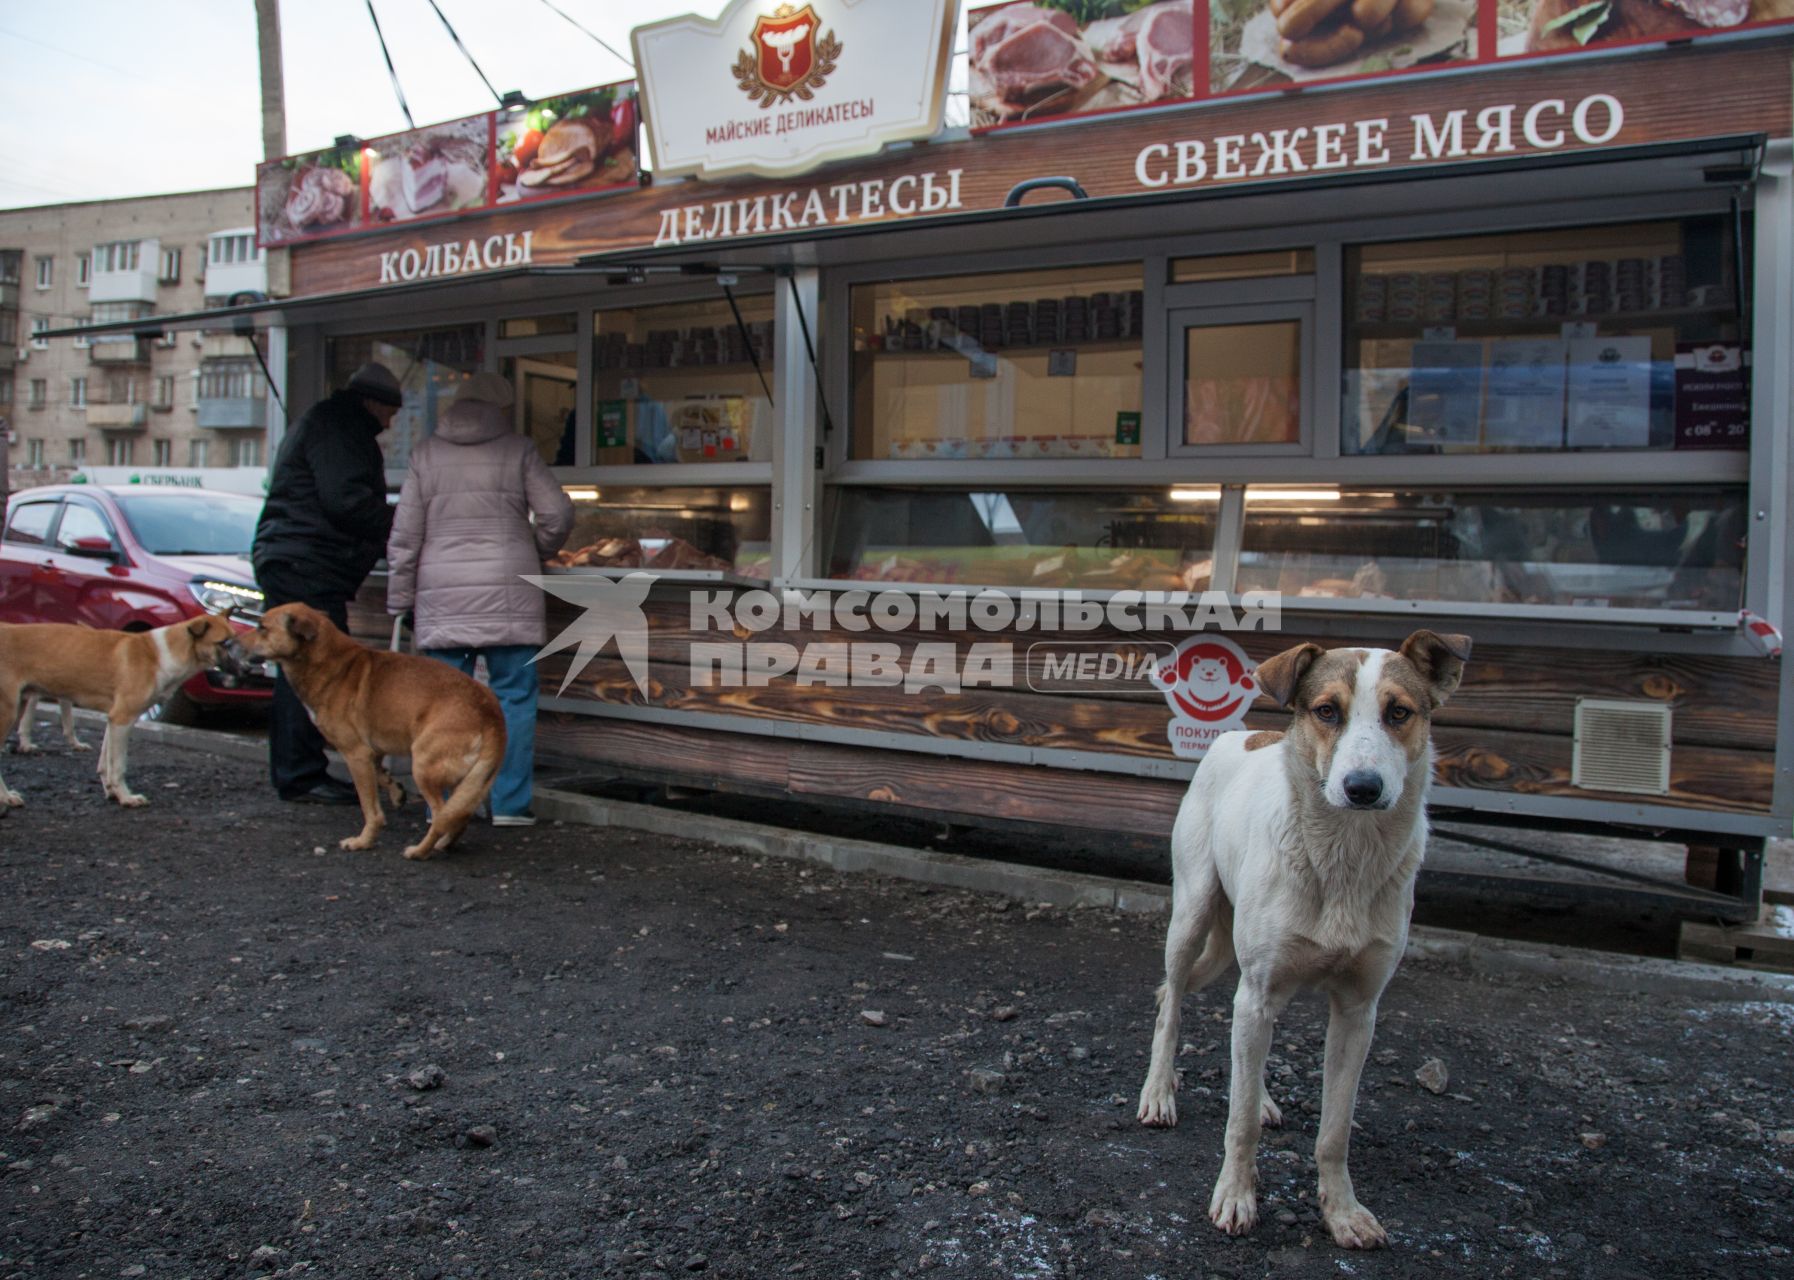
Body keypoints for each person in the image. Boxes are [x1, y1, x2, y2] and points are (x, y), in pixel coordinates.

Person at [385, 371, 573, 827]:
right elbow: (558, 512)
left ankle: (446, 806)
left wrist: (399, 601)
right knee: (514, 699)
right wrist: (536, 548)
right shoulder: (518, 449)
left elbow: (405, 537)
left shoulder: (425, 455)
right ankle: (509, 806)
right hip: (511, 590)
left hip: (442, 598)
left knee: (440, 708)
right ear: (501, 408)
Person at [252, 362, 402, 805]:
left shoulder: (326, 422)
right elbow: (347, 502)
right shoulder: (340, 429)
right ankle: (301, 775)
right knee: (314, 670)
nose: (391, 423)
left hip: (294, 557)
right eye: (390, 413)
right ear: (373, 403)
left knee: (301, 669)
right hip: (308, 564)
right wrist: (401, 523)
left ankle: (297, 771)